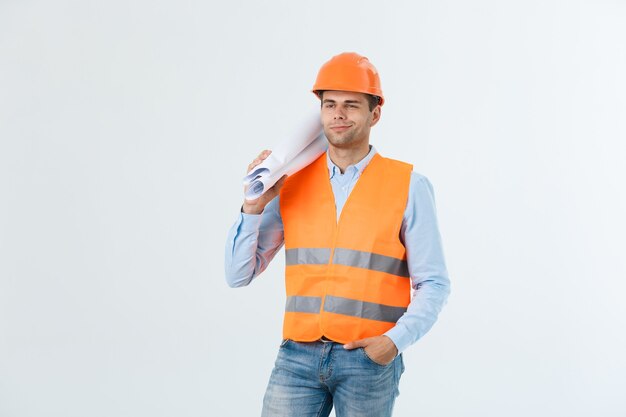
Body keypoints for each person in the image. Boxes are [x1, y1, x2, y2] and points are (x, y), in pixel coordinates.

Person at [225, 52, 451, 417]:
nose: (338, 114)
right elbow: (238, 275)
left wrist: (393, 343)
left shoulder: (409, 186)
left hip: (368, 358)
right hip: (296, 356)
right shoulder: (290, 183)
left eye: (351, 105)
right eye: (329, 104)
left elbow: (435, 283)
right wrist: (252, 207)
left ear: (374, 114)